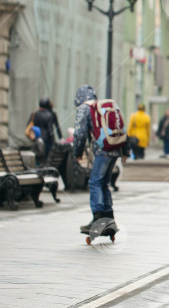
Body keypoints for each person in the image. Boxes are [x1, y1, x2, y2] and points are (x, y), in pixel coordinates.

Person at [73, 85, 130, 232]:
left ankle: (98, 219)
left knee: (95, 182)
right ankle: (109, 220)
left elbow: (80, 133)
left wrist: (77, 152)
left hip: (103, 150)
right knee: (104, 183)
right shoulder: (104, 106)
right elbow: (122, 128)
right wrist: (125, 150)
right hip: (114, 148)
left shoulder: (84, 108)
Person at [29, 98, 62, 165]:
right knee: (46, 158)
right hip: (46, 140)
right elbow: (50, 130)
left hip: (37, 137)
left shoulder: (36, 114)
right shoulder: (49, 115)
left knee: (38, 157)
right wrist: (53, 142)